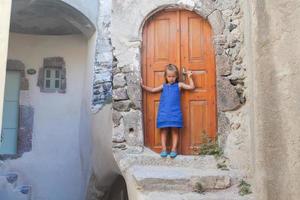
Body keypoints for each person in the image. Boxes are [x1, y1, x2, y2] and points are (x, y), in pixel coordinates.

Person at [140, 64, 195, 158]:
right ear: (165, 76)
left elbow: (191, 87)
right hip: (164, 112)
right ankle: (164, 149)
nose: (171, 78)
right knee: (164, 130)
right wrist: (142, 86)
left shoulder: (179, 85)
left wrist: (190, 77)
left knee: (175, 131)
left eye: (173, 76)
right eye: (169, 76)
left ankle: (174, 149)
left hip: (175, 112)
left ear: (177, 76)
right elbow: (153, 90)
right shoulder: (163, 86)